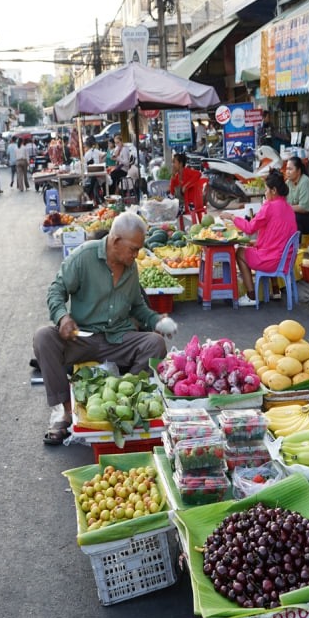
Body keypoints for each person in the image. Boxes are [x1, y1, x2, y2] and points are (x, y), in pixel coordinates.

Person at [33, 212, 176, 445]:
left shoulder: (130, 268)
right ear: (116, 241)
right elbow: (56, 290)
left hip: (117, 338)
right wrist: (62, 318)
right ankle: (67, 412)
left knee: (155, 343)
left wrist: (156, 320)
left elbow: (138, 307)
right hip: (81, 337)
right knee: (43, 337)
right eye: (133, 249)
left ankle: (126, 401)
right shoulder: (84, 257)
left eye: (138, 250)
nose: (136, 255)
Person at [220, 170, 298, 307]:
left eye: (266, 190)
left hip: (273, 260)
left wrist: (232, 217)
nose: (265, 193)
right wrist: (255, 242)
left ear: (273, 190)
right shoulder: (288, 208)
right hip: (286, 259)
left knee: (240, 252)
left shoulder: (269, 206)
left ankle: (251, 295)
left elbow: (250, 228)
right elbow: (277, 237)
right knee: (252, 248)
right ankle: (274, 290)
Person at [168, 152, 204, 223]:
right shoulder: (176, 177)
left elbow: (198, 174)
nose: (172, 165)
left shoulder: (188, 172)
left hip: (193, 203)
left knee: (177, 210)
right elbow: (172, 193)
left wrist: (186, 186)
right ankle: (181, 227)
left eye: (174, 162)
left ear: (180, 164)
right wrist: (173, 176)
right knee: (172, 211)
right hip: (183, 203)